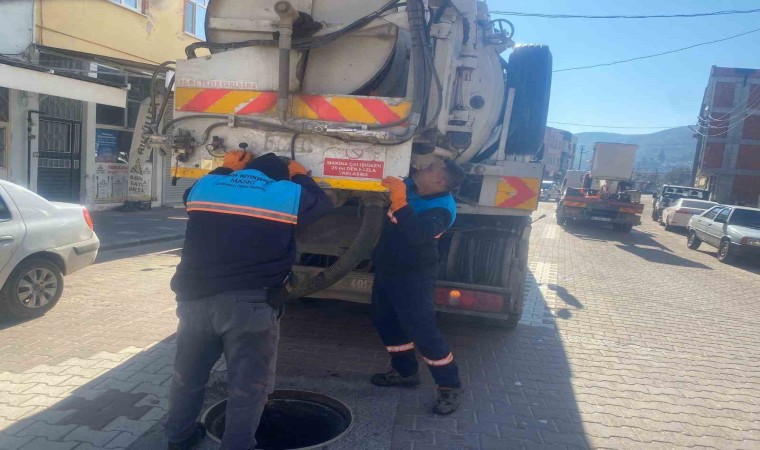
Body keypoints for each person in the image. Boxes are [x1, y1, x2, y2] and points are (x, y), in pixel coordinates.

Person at [164, 151, 332, 450]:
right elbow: (322, 204)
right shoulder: (287, 193)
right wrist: (301, 174)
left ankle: (179, 438)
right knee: (247, 387)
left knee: (187, 376)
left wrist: (224, 168)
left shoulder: (206, 187)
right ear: (280, 178)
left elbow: (190, 196)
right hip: (249, 306)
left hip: (194, 303)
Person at [370, 157, 466, 415]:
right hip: (389, 270)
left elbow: (418, 234)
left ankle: (449, 386)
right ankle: (405, 372)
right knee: (386, 321)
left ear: (439, 181)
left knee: (422, 331)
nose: (422, 167)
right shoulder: (413, 187)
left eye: (431, 167)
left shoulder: (442, 208)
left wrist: (400, 202)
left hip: (413, 276)